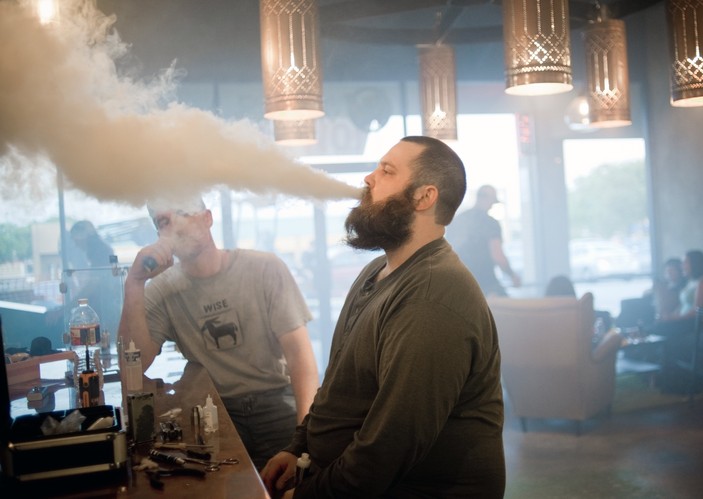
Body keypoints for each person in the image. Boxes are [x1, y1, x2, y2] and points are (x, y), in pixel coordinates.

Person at [260, 136, 505, 498]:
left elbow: (391, 444)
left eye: (386, 171)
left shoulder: (432, 295)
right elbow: (340, 385)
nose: (368, 179)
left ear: (424, 197)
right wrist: (298, 449)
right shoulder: (378, 271)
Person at [117, 196, 319, 469]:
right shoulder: (162, 289)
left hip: (276, 401)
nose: (175, 225)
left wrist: (303, 437)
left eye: (182, 212)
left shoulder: (264, 267)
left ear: (207, 218)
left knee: (289, 485)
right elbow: (133, 366)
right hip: (214, 411)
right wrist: (135, 282)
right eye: (164, 221)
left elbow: (300, 359)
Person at [653, 250, 703, 393]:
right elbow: (682, 306)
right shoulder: (690, 282)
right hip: (684, 320)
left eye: (685, 262)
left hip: (699, 322)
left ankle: (669, 377)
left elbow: (696, 311)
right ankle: (663, 373)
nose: (682, 265)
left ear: (694, 264)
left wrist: (672, 319)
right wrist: (668, 316)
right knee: (658, 326)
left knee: (659, 329)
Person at [448, 184, 521, 296]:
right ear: (485, 198)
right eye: (492, 201)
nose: (492, 205)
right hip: (486, 284)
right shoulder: (490, 223)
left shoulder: (458, 220)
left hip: (459, 284)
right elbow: (497, 255)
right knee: (507, 311)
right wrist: (512, 276)